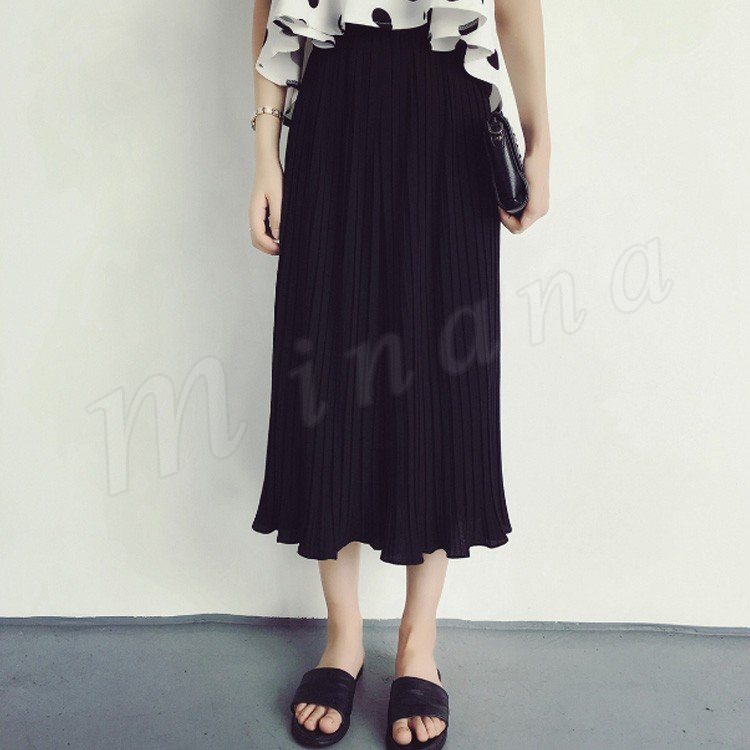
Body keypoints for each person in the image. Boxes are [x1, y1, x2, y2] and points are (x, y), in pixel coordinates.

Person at [248, 1, 550, 746]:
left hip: (451, 106)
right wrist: (265, 153)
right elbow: (270, 5)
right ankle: (343, 636)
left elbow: (515, 5)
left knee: (443, 372)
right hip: (334, 98)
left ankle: (419, 641)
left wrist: (541, 139)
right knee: (326, 367)